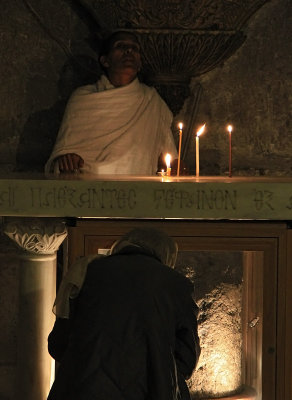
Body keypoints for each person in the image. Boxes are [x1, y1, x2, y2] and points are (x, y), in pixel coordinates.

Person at [47, 227, 201, 400]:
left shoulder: (86, 272)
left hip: (81, 389)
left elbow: (58, 344)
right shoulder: (177, 285)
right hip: (151, 391)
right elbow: (187, 359)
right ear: (166, 254)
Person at [45, 31, 178, 175]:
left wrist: (177, 167)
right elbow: (64, 153)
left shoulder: (152, 101)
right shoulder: (83, 98)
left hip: (138, 187)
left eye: (135, 48)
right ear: (105, 61)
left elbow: (170, 157)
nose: (129, 51)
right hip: (89, 185)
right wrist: (66, 159)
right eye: (121, 46)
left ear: (140, 64)